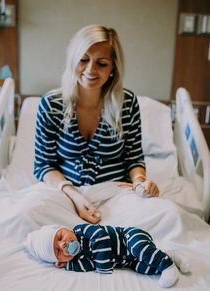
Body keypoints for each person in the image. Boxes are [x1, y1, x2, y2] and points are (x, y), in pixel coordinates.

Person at [34, 24, 159, 224]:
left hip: (116, 194)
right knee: (30, 212)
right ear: (73, 61)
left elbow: (134, 158)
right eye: (83, 60)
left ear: (113, 68)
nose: (90, 70)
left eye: (101, 63)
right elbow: (43, 165)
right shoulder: (51, 105)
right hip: (66, 193)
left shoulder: (126, 104)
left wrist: (140, 183)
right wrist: (75, 196)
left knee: (165, 213)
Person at [25, 224, 191, 288]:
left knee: (139, 249)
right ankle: (170, 257)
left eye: (61, 237)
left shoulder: (82, 231)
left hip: (128, 238)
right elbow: (89, 266)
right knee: (144, 268)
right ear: (59, 262)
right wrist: (68, 265)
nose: (63, 245)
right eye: (58, 251)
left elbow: (101, 236)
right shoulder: (77, 262)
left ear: (66, 228)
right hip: (127, 261)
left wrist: (103, 267)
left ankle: (167, 266)